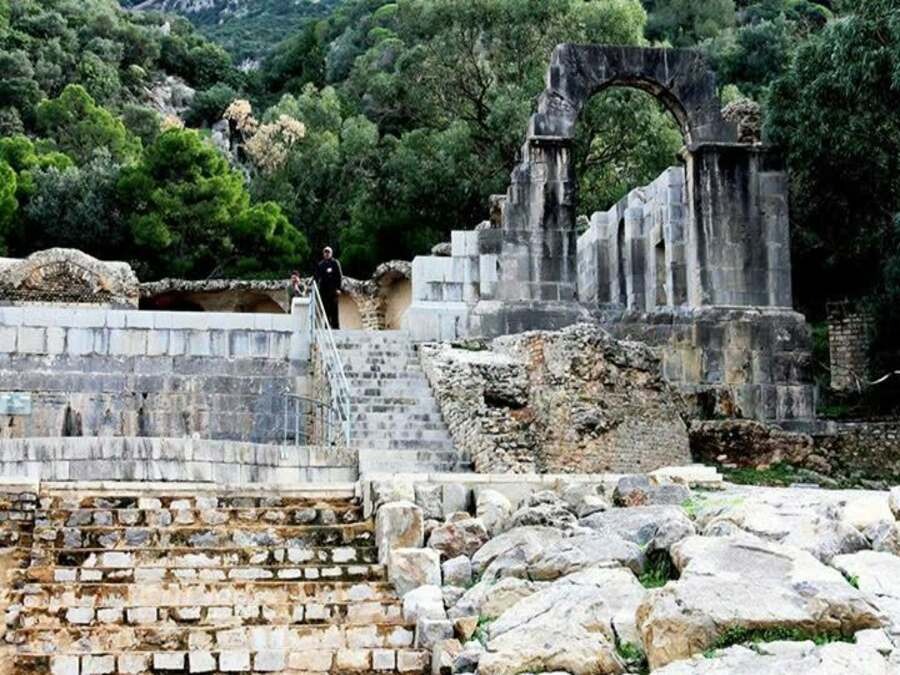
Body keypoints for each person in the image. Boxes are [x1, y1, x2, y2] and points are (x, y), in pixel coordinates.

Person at [314, 246, 343, 329]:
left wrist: (338, 288)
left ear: (331, 253)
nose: (326, 254)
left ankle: (336, 328)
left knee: (334, 310)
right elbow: (317, 277)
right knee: (326, 310)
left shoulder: (335, 263)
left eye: (328, 252)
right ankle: (327, 327)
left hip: (333, 291)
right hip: (324, 291)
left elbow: (339, 276)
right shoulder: (321, 264)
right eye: (325, 252)